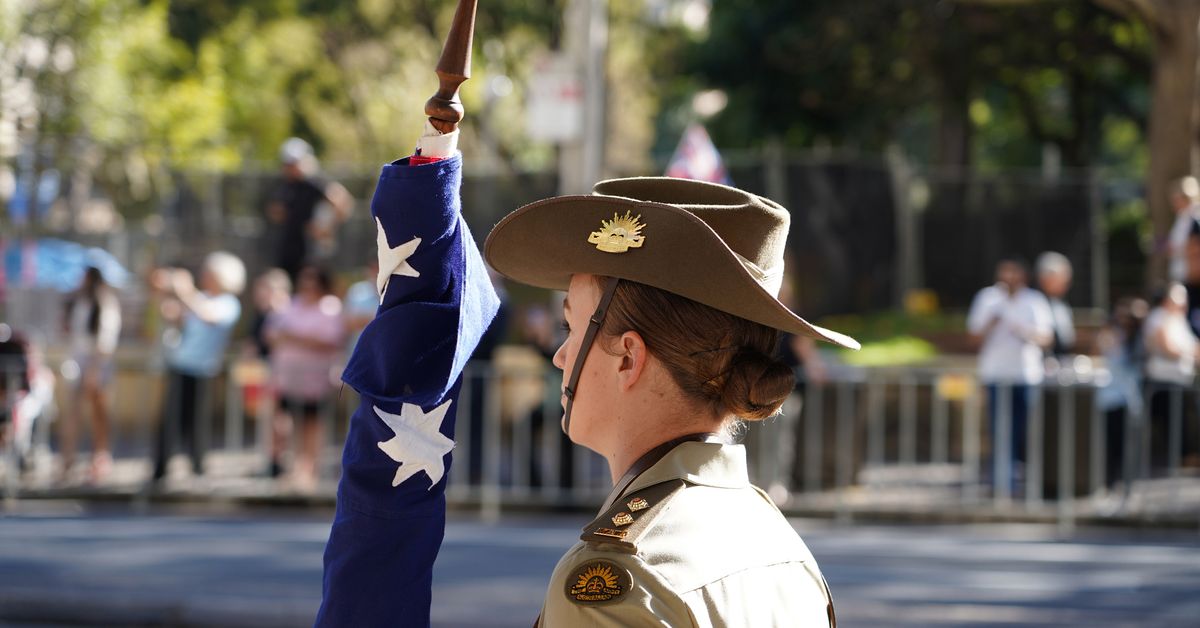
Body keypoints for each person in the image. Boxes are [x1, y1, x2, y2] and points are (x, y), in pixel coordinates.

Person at [484, 177, 857, 625]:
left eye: (571, 329)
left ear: (628, 357)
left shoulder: (621, 579)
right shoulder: (778, 540)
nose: (562, 356)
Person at [149, 252, 245, 484]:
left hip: (202, 369)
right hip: (180, 364)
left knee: (196, 421)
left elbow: (207, 316)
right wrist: (165, 291)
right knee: (170, 419)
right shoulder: (201, 297)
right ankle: (161, 468)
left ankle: (198, 466)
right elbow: (175, 315)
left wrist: (185, 290)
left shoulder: (228, 303)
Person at [966, 259, 1053, 496]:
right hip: (995, 374)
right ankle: (1002, 484)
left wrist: (1025, 331)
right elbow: (973, 337)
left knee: (1027, 432)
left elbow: (1047, 337)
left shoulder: (1034, 301)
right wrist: (991, 323)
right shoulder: (987, 299)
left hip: (1026, 375)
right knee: (1000, 431)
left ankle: (1028, 483)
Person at [265, 265, 345, 488]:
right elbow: (272, 333)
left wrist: (293, 338)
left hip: (314, 379)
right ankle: (286, 468)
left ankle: (308, 471)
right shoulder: (292, 304)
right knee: (284, 421)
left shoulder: (330, 308)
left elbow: (329, 341)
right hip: (287, 376)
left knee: (311, 424)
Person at [59, 266, 122, 483]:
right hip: (77, 362)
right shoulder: (79, 302)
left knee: (99, 413)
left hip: (97, 365)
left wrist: (94, 370)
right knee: (73, 413)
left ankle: (100, 458)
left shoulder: (105, 302)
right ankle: (68, 459)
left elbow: (106, 340)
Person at [265, 138, 354, 280]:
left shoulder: (315, 182)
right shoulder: (285, 185)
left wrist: (326, 228)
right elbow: (275, 213)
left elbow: (342, 202)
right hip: (289, 248)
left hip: (310, 252)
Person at [1142, 283, 1198, 473]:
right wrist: (1190, 354)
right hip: (1163, 382)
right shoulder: (1159, 317)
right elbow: (1166, 347)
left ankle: (1185, 457)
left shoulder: (1178, 319)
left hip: (1181, 380)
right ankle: (1179, 459)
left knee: (1181, 420)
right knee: (1172, 422)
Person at [1093, 297, 1147, 489]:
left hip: (1129, 397)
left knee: (1129, 443)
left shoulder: (1138, 338)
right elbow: (1101, 351)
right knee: (1111, 443)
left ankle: (1128, 482)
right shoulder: (1110, 335)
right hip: (1110, 397)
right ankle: (1111, 482)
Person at [1035, 251, 1075, 360]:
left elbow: (1067, 339)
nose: (1066, 284)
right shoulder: (1033, 302)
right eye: (1062, 278)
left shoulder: (1061, 304)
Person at [1166, 176, 1200, 283]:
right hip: (1182, 273)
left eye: (1177, 198)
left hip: (1193, 274)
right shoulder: (1181, 217)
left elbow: (1195, 245)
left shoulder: (1195, 217)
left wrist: (1180, 250)